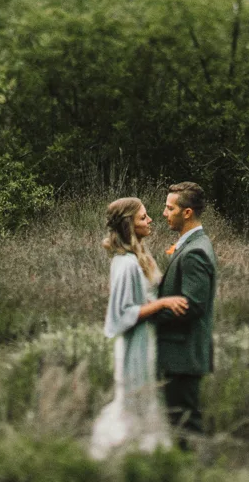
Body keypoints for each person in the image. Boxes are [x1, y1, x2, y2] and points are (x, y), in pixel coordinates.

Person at [88, 196, 182, 458]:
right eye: (143, 217)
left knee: (147, 394)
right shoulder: (125, 264)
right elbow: (122, 313)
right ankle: (115, 451)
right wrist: (163, 304)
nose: (150, 220)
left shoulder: (140, 256)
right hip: (133, 342)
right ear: (130, 224)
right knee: (133, 395)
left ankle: (146, 452)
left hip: (147, 337)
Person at [144, 181, 215, 437]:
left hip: (183, 353)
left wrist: (147, 316)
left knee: (186, 425)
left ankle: (196, 473)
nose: (164, 213)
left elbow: (193, 305)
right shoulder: (189, 246)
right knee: (178, 423)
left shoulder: (195, 252)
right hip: (178, 353)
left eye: (169, 208)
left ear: (187, 212)